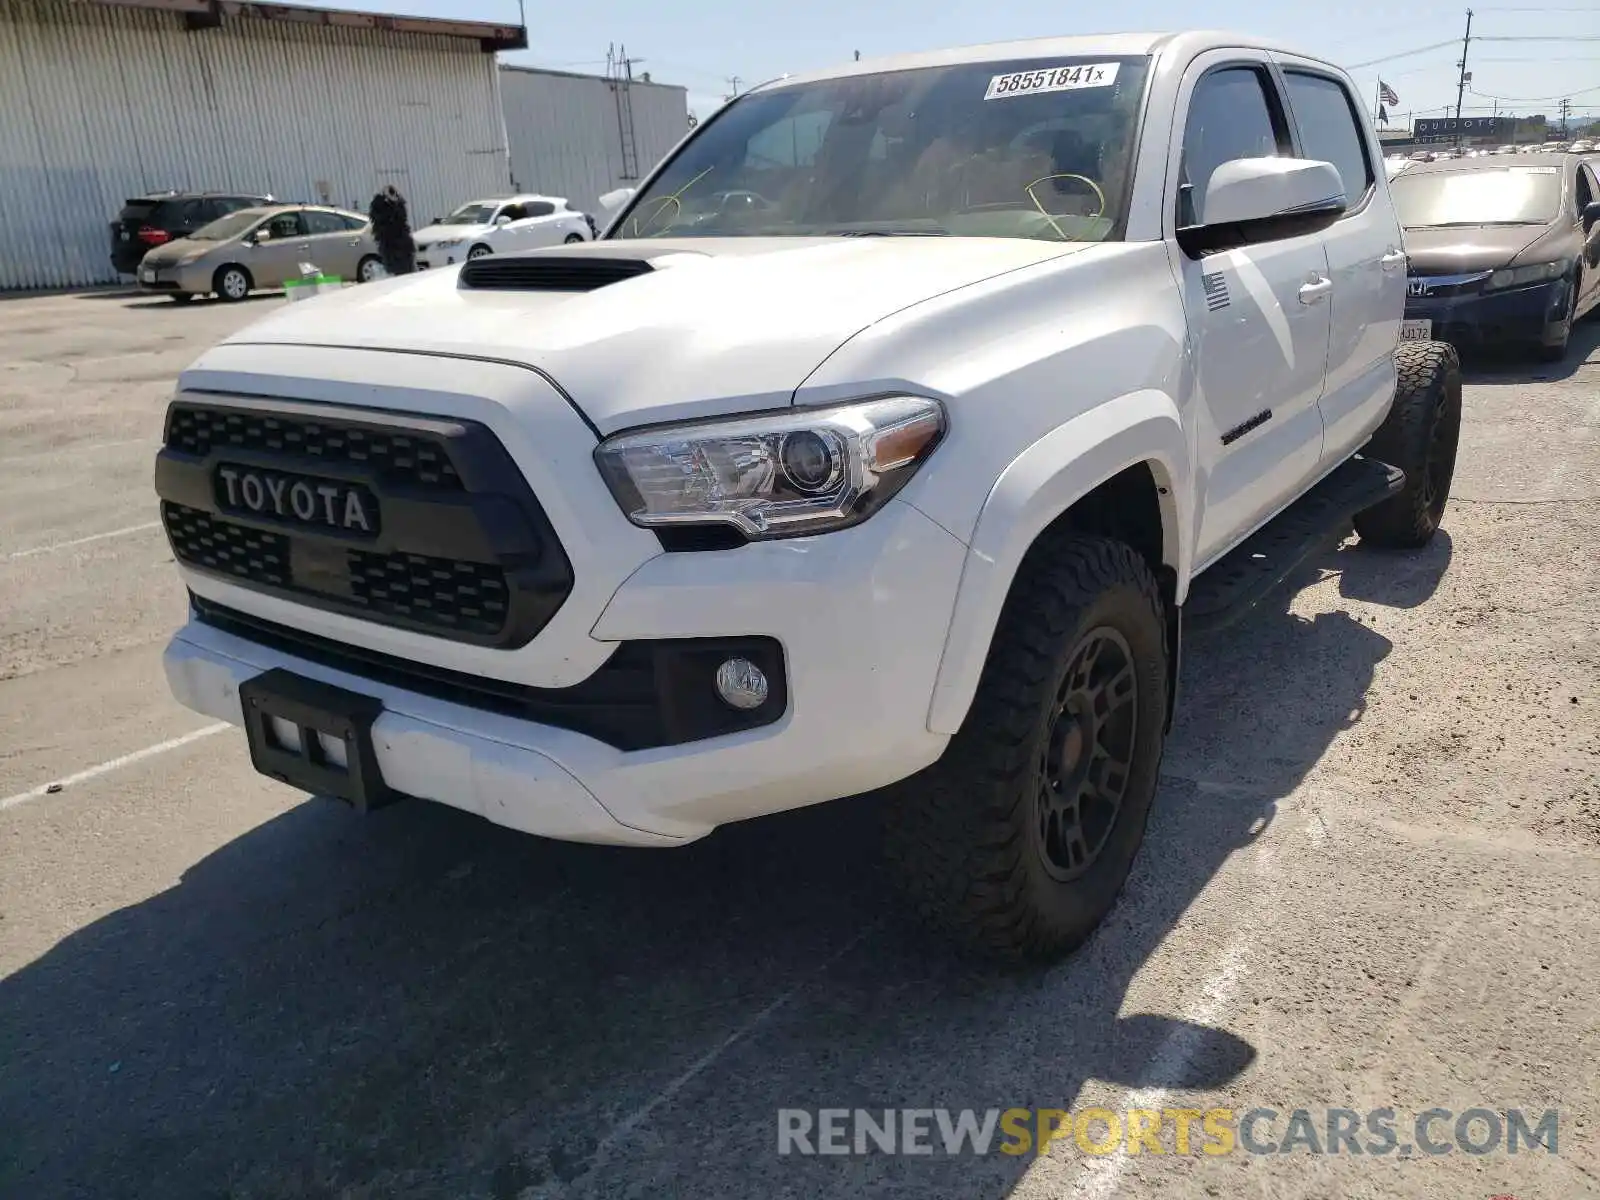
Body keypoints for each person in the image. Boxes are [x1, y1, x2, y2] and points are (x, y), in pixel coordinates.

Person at [368, 184, 416, 275]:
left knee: (408, 267)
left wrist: (396, 204)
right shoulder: (379, 204)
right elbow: (376, 218)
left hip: (402, 240)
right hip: (388, 242)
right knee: (394, 268)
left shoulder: (398, 202)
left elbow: (402, 217)